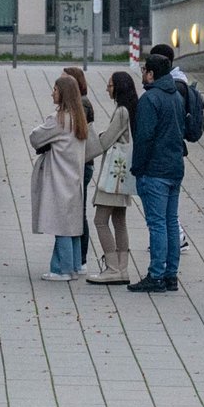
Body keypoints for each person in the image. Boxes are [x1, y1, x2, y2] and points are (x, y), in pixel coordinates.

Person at [128, 54, 185, 293]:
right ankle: (171, 274)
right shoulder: (177, 97)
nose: (142, 73)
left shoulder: (150, 99)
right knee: (171, 221)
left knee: (157, 224)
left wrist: (138, 167)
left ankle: (156, 274)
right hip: (174, 167)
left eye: (144, 69)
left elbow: (144, 137)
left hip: (155, 169)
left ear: (151, 73)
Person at [31, 75, 89, 281]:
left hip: (58, 177)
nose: (52, 93)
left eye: (55, 89)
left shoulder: (58, 119)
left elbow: (35, 136)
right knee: (72, 225)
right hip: (73, 177)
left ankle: (61, 269)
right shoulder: (78, 118)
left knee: (60, 225)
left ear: (63, 93)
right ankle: (72, 265)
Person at [86, 71, 139, 285]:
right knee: (119, 221)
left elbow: (107, 140)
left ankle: (112, 267)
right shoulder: (131, 109)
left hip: (113, 176)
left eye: (110, 85)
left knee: (100, 221)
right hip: (124, 175)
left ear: (118, 87)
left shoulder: (121, 111)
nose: (107, 89)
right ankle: (122, 268)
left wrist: (85, 153)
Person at [149, 43, 192, 252]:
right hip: (173, 153)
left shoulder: (172, 88)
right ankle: (174, 242)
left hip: (166, 154)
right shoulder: (178, 83)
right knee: (168, 210)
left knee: (163, 212)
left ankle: (173, 244)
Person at [63, 67, 103, 267]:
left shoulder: (81, 105)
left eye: (64, 80)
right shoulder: (76, 104)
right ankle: (78, 256)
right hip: (79, 164)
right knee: (76, 209)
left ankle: (81, 257)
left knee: (78, 211)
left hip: (82, 164)